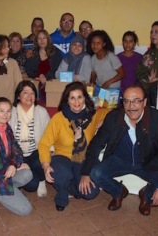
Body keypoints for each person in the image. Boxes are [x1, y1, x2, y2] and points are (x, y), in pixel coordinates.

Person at [80, 85, 158, 216]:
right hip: (120, 160)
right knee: (95, 173)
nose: (131, 106)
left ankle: (146, 194)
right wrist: (86, 172)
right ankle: (119, 191)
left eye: (136, 101)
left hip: (149, 162)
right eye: (127, 101)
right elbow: (95, 145)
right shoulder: (113, 118)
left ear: (144, 102)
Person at [39, 82, 109, 211]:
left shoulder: (92, 115)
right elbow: (44, 144)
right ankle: (62, 194)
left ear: (85, 98)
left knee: (90, 192)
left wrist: (105, 121)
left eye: (80, 97)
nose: (76, 102)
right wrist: (46, 166)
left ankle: (74, 187)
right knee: (61, 174)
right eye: (72, 98)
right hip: (62, 157)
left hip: (83, 159)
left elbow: (110, 112)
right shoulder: (59, 118)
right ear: (67, 100)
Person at [9, 80, 50, 197]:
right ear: (18, 95)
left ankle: (42, 180)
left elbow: (49, 134)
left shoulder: (41, 112)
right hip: (17, 152)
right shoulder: (11, 112)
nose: (29, 96)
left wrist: (50, 151)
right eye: (25, 92)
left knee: (38, 163)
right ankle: (22, 179)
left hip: (36, 150)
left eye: (32, 93)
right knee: (31, 186)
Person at [25, 29, 62, 100]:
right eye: (39, 38)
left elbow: (58, 70)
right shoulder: (33, 54)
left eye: (44, 38)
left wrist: (46, 77)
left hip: (52, 85)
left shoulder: (56, 52)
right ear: (36, 41)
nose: (42, 40)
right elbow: (29, 71)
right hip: (36, 86)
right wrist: (39, 75)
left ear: (48, 39)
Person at [117, 31, 142, 95]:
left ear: (134, 43)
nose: (128, 44)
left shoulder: (140, 58)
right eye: (125, 41)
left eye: (130, 41)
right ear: (122, 42)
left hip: (136, 92)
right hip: (120, 92)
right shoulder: (116, 58)